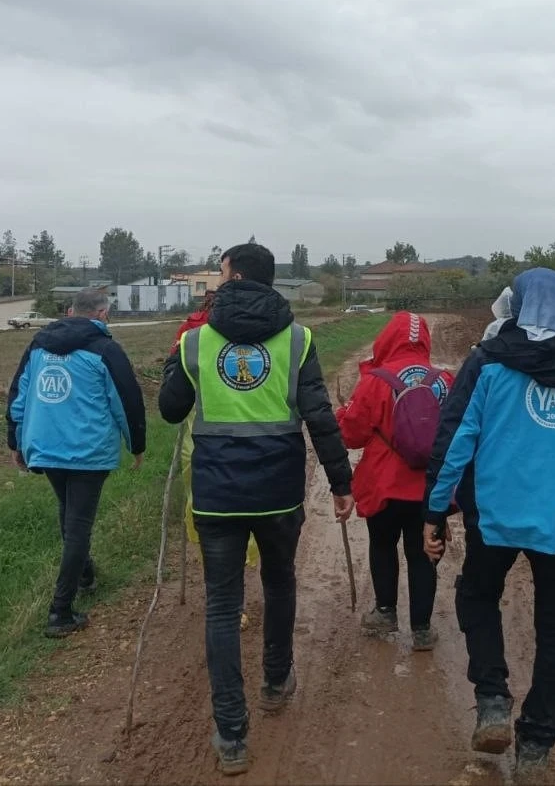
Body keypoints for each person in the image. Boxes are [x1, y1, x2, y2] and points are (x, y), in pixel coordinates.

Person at [424, 267, 555, 782]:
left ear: (516, 305)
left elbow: (454, 442)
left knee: (478, 596)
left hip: (495, 516)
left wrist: (434, 512)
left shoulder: (487, 363)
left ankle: (493, 701)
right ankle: (537, 744)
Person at [158, 242, 354, 776]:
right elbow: (319, 415)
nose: (219, 282)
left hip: (217, 496)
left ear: (237, 276)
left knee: (222, 606)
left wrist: (178, 364)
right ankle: (275, 679)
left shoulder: (196, 341)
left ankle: (231, 733)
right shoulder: (298, 339)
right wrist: (341, 481)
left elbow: (171, 410)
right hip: (278, 493)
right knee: (280, 582)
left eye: (222, 273)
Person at [6, 288, 147, 638]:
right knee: (79, 525)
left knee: (68, 512)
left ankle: (84, 574)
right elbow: (126, 400)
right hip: (88, 451)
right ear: (102, 314)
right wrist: (137, 444)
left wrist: (16, 440)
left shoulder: (39, 345)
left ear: (70, 311)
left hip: (45, 445)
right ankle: (60, 611)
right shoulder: (106, 350)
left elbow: (18, 395)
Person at [335, 312, 454, 651]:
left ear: (388, 338)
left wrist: (342, 414)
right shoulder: (445, 380)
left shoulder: (376, 379)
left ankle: (385, 612)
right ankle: (422, 630)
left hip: (384, 483)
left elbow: (352, 435)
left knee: (382, 545)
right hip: (430, 488)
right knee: (423, 553)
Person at [169, 291, 261, 576]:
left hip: (201, 421)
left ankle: (211, 549)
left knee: (200, 487)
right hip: (245, 416)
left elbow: (174, 387)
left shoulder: (190, 331)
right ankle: (242, 553)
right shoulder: (257, 326)